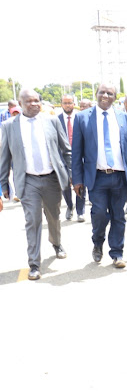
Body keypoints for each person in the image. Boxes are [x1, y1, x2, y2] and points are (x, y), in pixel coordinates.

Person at [72, 83, 127, 268]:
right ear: (96, 94)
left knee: (118, 215)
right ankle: (98, 242)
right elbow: (76, 152)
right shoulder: (82, 118)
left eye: (110, 93)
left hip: (120, 176)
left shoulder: (125, 119)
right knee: (99, 214)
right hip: (97, 177)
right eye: (102, 92)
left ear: (115, 97)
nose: (105, 95)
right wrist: (77, 179)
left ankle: (117, 253)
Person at [0, 89, 71, 280]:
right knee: (33, 220)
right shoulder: (9, 126)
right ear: (20, 105)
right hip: (28, 180)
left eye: (36, 101)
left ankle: (56, 243)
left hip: (51, 178)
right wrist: (3, 184)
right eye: (29, 102)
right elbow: (4, 157)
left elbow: (66, 150)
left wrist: (71, 174)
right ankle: (34, 263)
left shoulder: (52, 121)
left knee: (54, 217)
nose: (34, 104)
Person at [59, 94, 86, 222]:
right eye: (65, 103)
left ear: (74, 103)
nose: (68, 105)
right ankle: (70, 206)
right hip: (63, 157)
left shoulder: (80, 117)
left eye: (70, 103)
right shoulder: (56, 120)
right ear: (61, 104)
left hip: (80, 155)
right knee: (65, 185)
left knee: (81, 183)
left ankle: (80, 211)